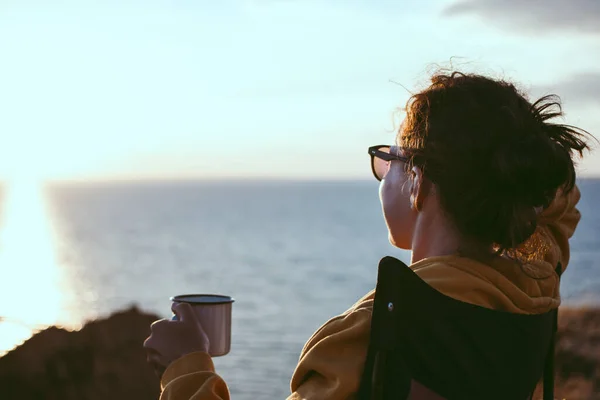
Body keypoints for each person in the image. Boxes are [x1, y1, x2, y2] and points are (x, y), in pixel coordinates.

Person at [143, 71, 593, 399]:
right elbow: (562, 200)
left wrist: (186, 368)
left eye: (389, 158)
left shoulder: (379, 334)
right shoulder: (533, 287)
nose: (382, 174)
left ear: (418, 180)